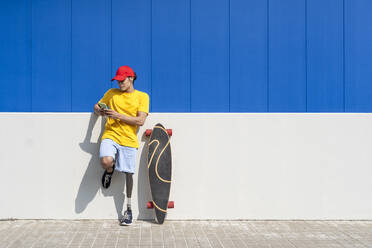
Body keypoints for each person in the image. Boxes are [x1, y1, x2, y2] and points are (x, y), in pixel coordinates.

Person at [94, 65, 150, 226]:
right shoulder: (111, 93)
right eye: (118, 81)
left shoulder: (142, 96)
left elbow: (140, 120)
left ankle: (129, 210)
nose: (119, 84)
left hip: (129, 139)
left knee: (128, 174)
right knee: (105, 161)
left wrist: (118, 115)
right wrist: (101, 111)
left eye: (122, 80)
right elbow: (96, 107)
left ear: (131, 78)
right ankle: (110, 170)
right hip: (110, 134)